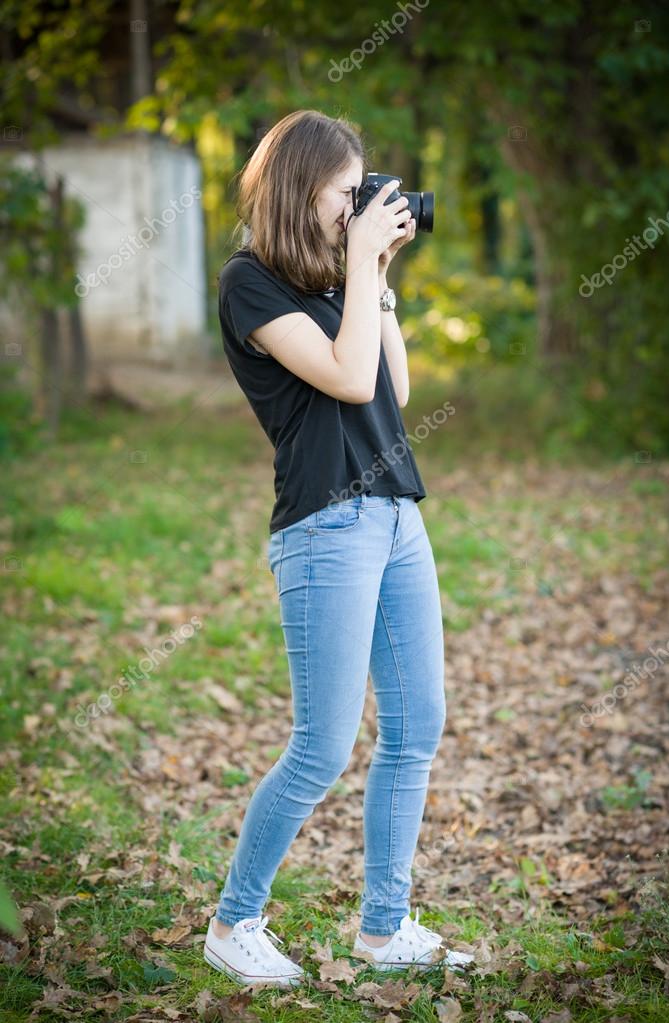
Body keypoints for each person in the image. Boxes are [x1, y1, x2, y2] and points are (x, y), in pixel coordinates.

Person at [203, 109, 473, 987]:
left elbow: (389, 389)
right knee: (321, 745)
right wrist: (359, 266)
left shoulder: (332, 279)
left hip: (395, 517)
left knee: (415, 724)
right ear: (298, 187)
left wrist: (377, 278)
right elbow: (346, 378)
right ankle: (233, 919)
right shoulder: (250, 283)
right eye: (344, 191)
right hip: (325, 527)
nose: (357, 205)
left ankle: (383, 927)